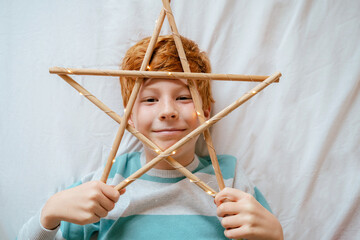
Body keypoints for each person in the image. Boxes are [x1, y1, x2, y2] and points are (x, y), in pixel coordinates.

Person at [18, 35, 283, 240]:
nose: (167, 111)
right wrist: (50, 213)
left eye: (183, 97)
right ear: (128, 118)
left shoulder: (229, 178)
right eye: (149, 99)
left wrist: (274, 235)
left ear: (206, 113)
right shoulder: (107, 181)